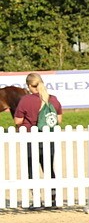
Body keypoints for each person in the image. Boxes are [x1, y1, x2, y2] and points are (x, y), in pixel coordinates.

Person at [13, 73, 63, 205]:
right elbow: (59, 120)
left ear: (29, 86)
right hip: (48, 138)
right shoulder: (53, 99)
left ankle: (36, 199)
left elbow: (18, 121)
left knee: (32, 168)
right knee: (48, 167)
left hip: (31, 137)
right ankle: (53, 198)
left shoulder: (25, 100)